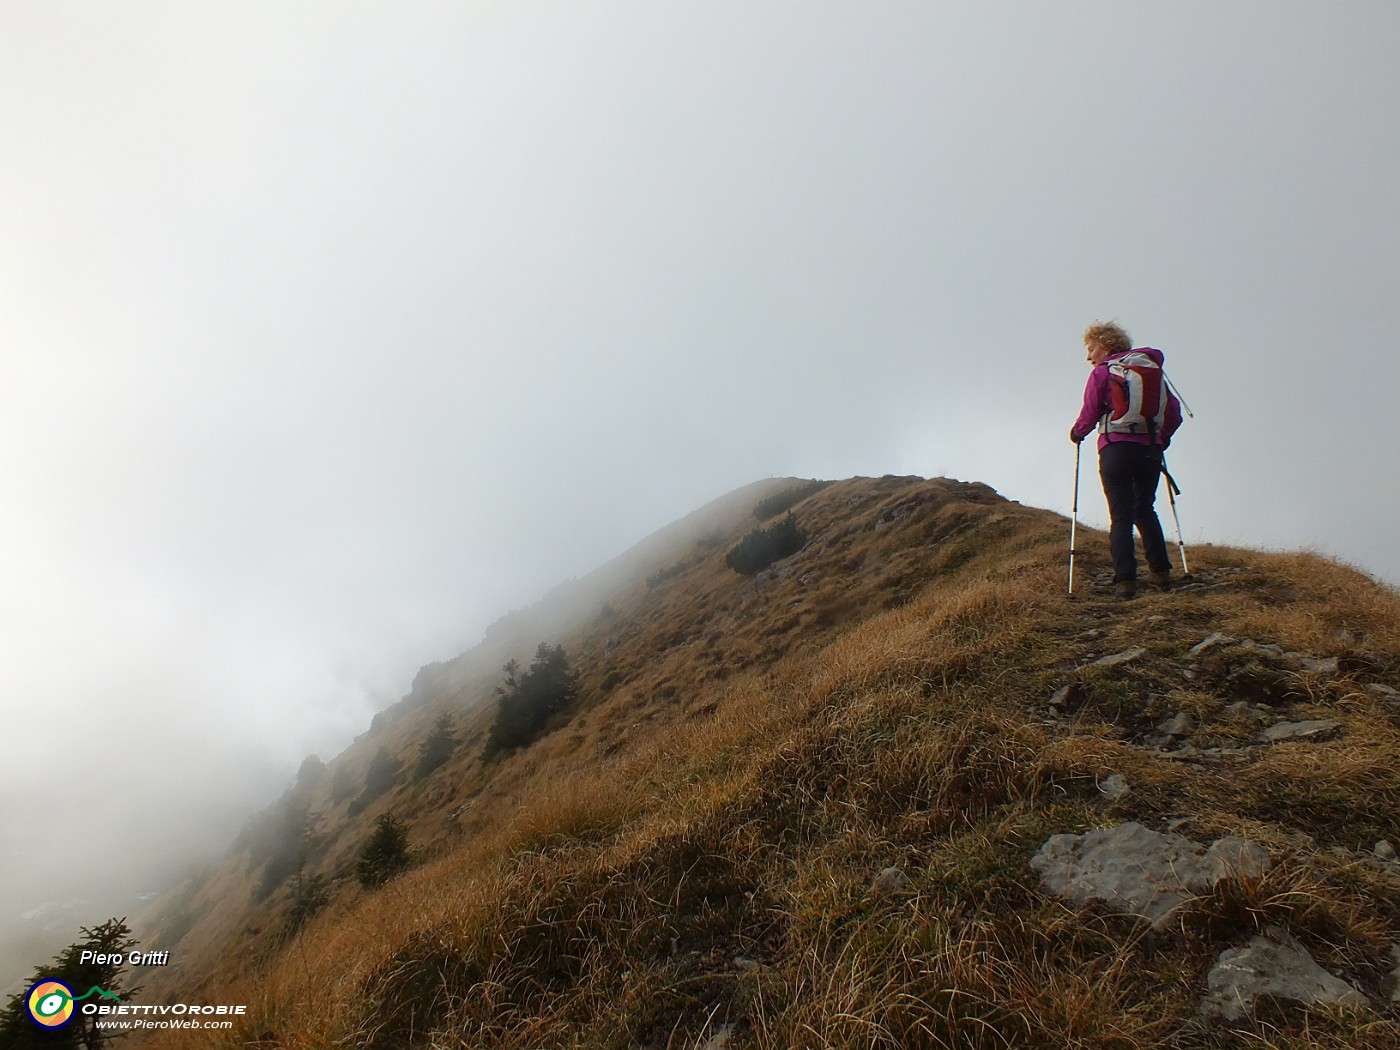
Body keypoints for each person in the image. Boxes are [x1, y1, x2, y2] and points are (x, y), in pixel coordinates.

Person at [1069, 321, 1182, 600]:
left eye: (1091, 348)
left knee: (1121, 516)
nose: (1089, 356)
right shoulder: (1151, 371)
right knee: (1144, 509)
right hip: (1149, 451)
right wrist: (1160, 440)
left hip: (1115, 449)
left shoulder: (1103, 372)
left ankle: (1126, 582)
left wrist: (1077, 433)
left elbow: (1091, 411)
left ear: (1105, 346)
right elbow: (1174, 414)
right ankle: (1161, 574)